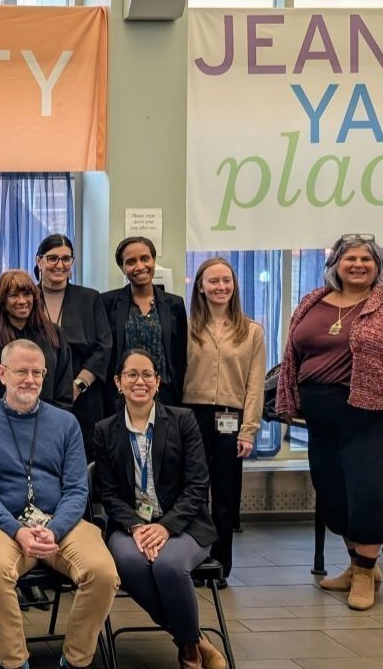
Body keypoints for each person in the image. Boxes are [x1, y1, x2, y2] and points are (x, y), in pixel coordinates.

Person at [277, 233, 383, 611]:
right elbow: (293, 355)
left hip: (374, 415)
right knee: (334, 494)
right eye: (350, 258)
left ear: (378, 265)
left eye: (367, 258)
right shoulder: (313, 301)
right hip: (320, 416)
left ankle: (366, 573)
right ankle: (356, 564)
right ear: (335, 265)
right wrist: (290, 400)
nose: (358, 265)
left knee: (370, 495)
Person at [0, 339, 118, 669]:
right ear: (2, 373)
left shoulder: (65, 423)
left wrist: (56, 528)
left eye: (37, 372)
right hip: (4, 525)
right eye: (22, 371)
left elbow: (78, 489)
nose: (30, 380)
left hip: (62, 524)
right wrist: (19, 531)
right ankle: (16, 663)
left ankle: (75, 661)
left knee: (103, 572)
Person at [93, 349, 226, 669]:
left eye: (147, 375)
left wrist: (165, 526)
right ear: (118, 382)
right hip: (130, 526)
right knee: (127, 562)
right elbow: (107, 493)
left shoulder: (182, 421)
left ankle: (190, 651)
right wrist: (137, 526)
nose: (140, 381)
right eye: (131, 375)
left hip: (185, 523)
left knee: (168, 565)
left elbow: (197, 485)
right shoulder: (105, 430)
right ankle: (193, 641)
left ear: (158, 381)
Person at [182, 257, 266, 585]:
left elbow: (255, 384)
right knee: (193, 491)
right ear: (200, 286)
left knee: (226, 494)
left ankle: (220, 565)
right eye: (213, 281)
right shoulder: (187, 328)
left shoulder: (251, 331)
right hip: (192, 416)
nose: (220, 287)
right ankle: (193, 558)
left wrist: (249, 430)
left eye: (226, 281)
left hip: (231, 418)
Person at [34, 234, 113, 450]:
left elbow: (104, 346)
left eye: (66, 259)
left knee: (82, 457)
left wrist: (79, 384)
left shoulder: (90, 298)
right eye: (52, 258)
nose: (59, 265)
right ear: (39, 261)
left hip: (84, 395)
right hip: (36, 391)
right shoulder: (26, 298)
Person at [0, 269, 75, 412]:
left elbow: (64, 386)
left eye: (27, 294)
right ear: (3, 301)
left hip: (45, 421)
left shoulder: (54, 334)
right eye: (14, 295)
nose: (22, 301)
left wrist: (53, 419)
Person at [102, 237, 188, 407]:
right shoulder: (107, 303)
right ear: (122, 268)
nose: (140, 266)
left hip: (166, 398)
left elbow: (180, 357)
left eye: (145, 258)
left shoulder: (174, 305)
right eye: (131, 261)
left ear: (154, 261)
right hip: (121, 400)